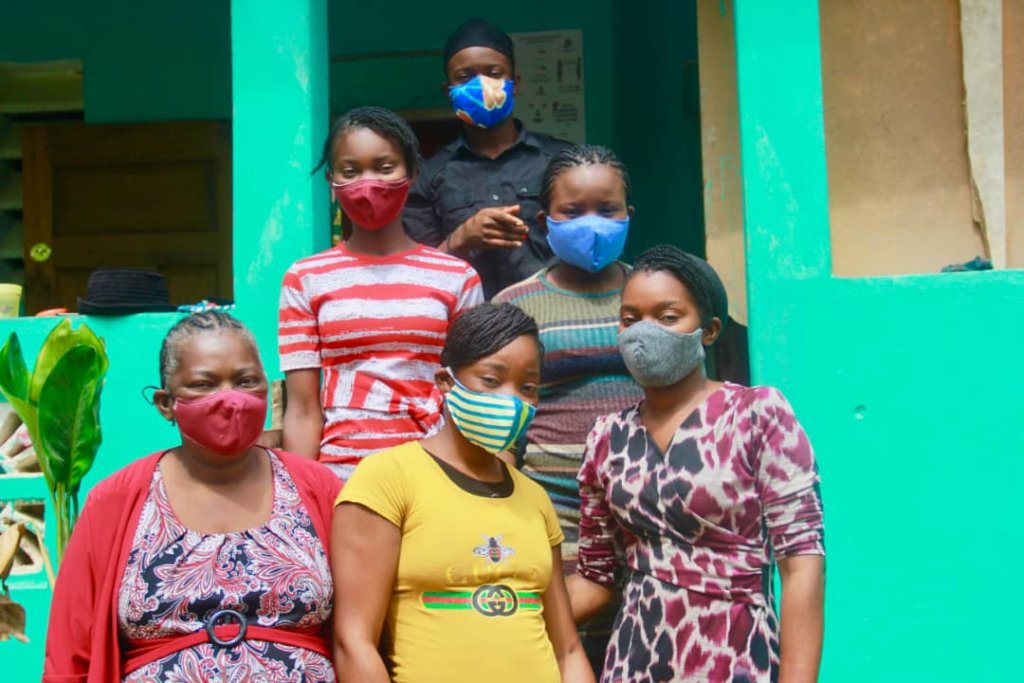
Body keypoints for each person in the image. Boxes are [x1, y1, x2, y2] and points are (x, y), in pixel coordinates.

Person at [568, 245, 826, 682]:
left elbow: (802, 564)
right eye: (630, 319)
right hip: (635, 661)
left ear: (709, 331)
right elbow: (596, 576)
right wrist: (501, 609)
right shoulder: (607, 438)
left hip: (735, 658)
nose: (643, 332)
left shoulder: (757, 414)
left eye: (668, 317)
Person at [43, 311, 341, 682]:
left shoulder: (318, 488)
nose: (230, 398)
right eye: (204, 384)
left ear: (268, 389)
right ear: (165, 403)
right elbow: (69, 654)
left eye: (246, 381)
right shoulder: (116, 500)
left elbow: (362, 632)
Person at [331, 303, 595, 683]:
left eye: (528, 387)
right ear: (445, 381)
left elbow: (567, 649)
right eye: (491, 380)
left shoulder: (534, 498)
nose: (511, 400)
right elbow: (354, 643)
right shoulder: (387, 479)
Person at [492, 144, 644, 670]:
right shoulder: (514, 306)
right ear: (545, 221)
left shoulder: (657, 299)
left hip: (649, 508)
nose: (592, 223)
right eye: (572, 212)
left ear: (629, 215)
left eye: (607, 209)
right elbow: (502, 427)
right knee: (561, 645)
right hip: (552, 511)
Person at [280, 106, 484, 480]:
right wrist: (304, 493)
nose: (368, 183)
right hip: (342, 482)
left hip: (436, 479)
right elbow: (303, 410)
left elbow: (471, 396)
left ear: (413, 172)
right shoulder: (305, 278)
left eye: (385, 167)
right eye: (350, 171)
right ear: (331, 179)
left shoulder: (458, 278)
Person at [404, 18, 570, 299]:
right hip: (468, 321)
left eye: (494, 73)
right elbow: (415, 275)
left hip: (551, 316)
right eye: (465, 77)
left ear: (515, 84)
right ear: (448, 91)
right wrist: (461, 239)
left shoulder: (561, 161)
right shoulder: (429, 175)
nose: (481, 84)